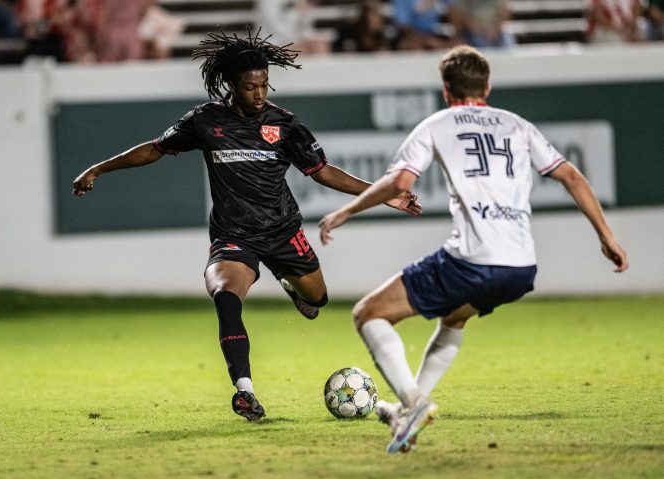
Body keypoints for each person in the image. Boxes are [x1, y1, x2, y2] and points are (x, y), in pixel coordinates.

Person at [72, 29, 420, 422]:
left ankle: (290, 282)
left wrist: (383, 193)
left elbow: (322, 173)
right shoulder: (205, 121)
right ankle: (245, 391)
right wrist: (98, 169)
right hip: (233, 237)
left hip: (283, 231)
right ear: (230, 86)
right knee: (224, 296)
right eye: (250, 86)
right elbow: (155, 148)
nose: (259, 93)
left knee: (318, 299)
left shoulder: (284, 124)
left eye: (264, 85)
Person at [318, 45, 628, 453]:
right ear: (488, 86)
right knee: (455, 317)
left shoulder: (437, 124)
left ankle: (412, 403)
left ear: (446, 89)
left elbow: (398, 184)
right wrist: (605, 235)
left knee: (369, 314)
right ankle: (412, 413)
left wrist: (345, 212)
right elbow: (569, 175)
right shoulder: (517, 125)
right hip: (520, 268)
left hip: (472, 260)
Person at [449, 0, 515, 48]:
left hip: (495, 30)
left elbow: (505, 11)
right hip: (472, 31)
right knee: (478, 41)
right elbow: (458, 15)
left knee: (507, 41)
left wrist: (494, 29)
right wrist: (479, 29)